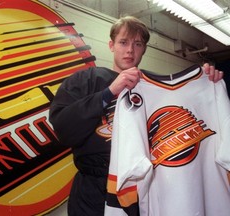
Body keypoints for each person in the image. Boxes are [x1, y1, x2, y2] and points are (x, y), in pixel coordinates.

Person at [49, 16, 224, 216]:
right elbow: (63, 128)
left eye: (138, 44)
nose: (130, 50)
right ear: (111, 45)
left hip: (144, 190)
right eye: (123, 42)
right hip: (93, 193)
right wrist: (109, 92)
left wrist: (206, 81)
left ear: (144, 49)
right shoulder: (87, 79)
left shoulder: (155, 88)